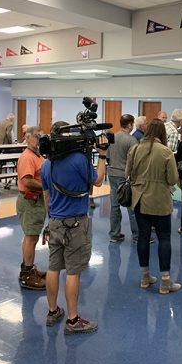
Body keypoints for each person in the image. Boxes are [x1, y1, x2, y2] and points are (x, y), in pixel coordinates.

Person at [41, 121, 107, 334]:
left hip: (55, 221)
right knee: (73, 272)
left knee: (53, 268)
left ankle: (52, 311)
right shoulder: (79, 160)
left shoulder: (46, 164)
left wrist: (49, 220)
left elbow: (46, 196)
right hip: (76, 223)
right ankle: (73, 320)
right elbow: (97, 181)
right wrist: (102, 155)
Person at [126, 118, 180, 294]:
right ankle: (165, 282)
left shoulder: (134, 149)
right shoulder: (166, 152)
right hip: (160, 201)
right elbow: (172, 179)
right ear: (162, 133)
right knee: (164, 238)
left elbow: (128, 174)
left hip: (139, 201)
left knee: (143, 237)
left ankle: (144, 277)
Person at [17, 126, 46, 290]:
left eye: (40, 136)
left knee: (31, 236)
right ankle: (28, 274)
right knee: (31, 237)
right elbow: (27, 181)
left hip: (36, 201)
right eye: (35, 136)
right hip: (30, 201)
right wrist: (46, 186)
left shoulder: (37, 155)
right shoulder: (27, 157)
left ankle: (27, 267)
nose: (38, 139)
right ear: (27, 138)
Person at [107, 114, 139, 243]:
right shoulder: (132, 140)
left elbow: (107, 156)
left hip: (112, 174)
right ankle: (137, 236)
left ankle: (114, 234)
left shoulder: (112, 137)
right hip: (125, 176)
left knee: (114, 205)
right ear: (130, 124)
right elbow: (135, 161)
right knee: (131, 206)